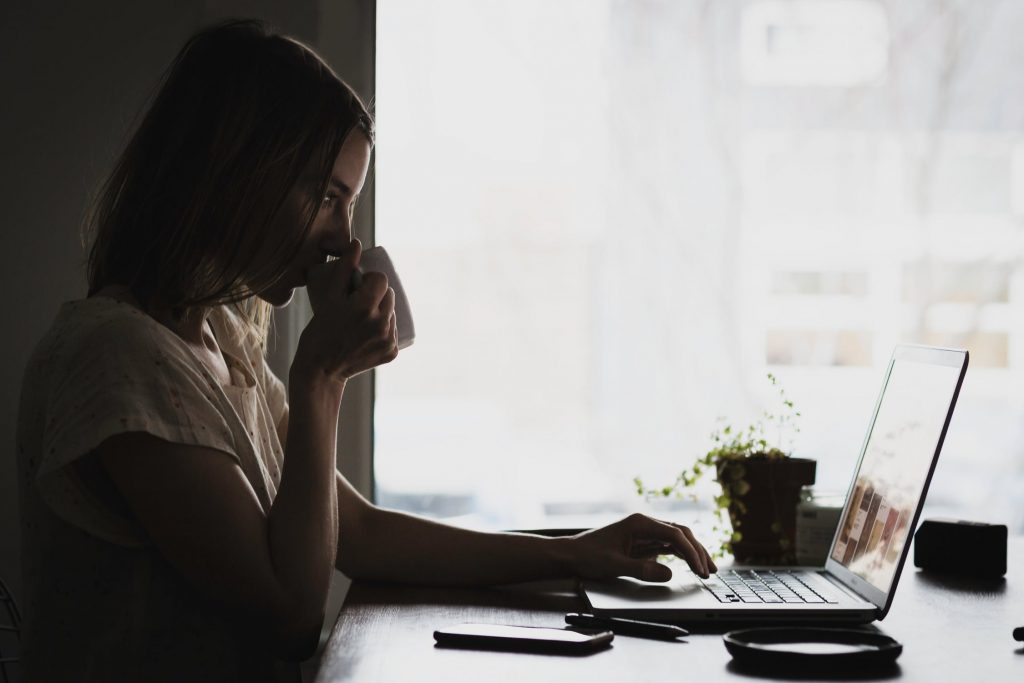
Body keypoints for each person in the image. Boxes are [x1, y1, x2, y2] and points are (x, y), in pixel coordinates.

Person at [15, 19, 715, 682]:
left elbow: (358, 531)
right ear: (236, 175)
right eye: (327, 195)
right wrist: (321, 373)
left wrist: (579, 552)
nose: (343, 240)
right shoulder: (118, 357)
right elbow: (288, 613)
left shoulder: (218, 344)